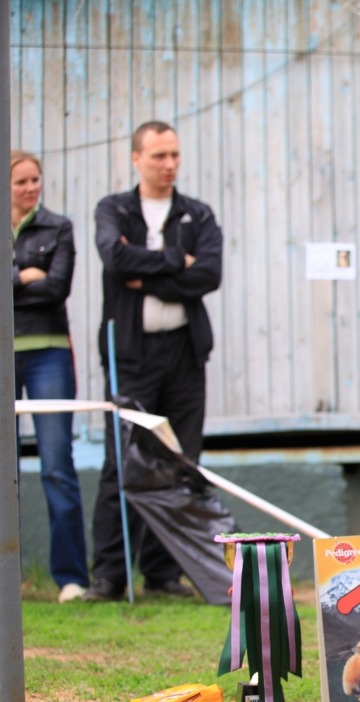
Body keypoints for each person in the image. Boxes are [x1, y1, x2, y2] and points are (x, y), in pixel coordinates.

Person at [81, 121, 223, 602]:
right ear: (136, 158)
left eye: (175, 155)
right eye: (159, 155)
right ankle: (109, 576)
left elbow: (208, 274)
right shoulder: (114, 209)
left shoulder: (196, 214)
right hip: (131, 355)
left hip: (184, 353)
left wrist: (148, 268)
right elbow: (114, 262)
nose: (169, 165)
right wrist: (174, 263)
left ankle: (163, 574)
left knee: (182, 460)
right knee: (121, 461)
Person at [10, 150, 90, 603]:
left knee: (57, 463)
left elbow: (57, 287)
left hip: (49, 356)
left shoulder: (57, 227)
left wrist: (18, 282)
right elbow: (37, 285)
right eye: (21, 181)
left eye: (35, 180)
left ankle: (71, 577)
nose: (31, 188)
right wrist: (24, 277)